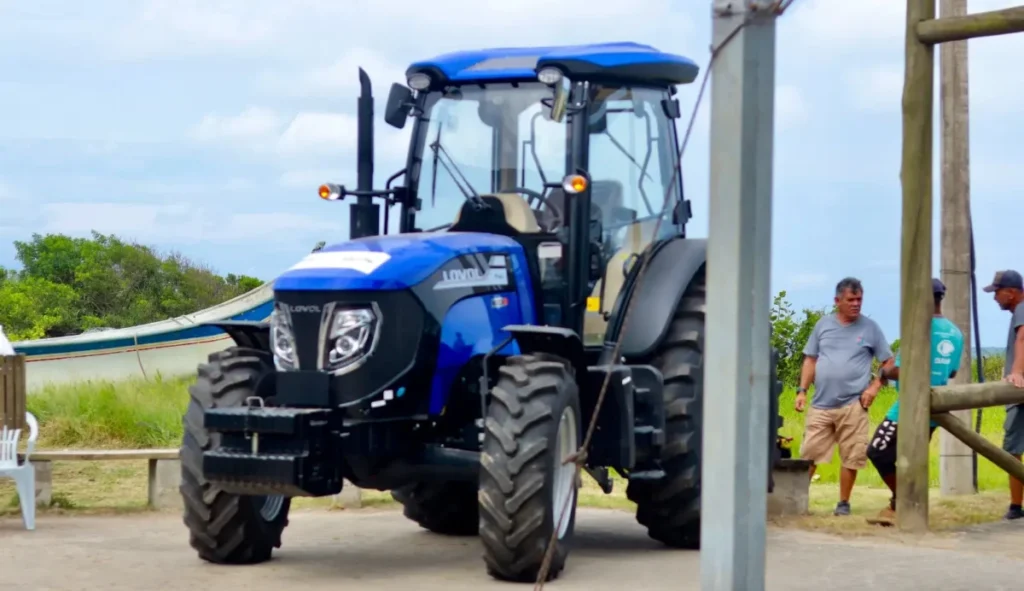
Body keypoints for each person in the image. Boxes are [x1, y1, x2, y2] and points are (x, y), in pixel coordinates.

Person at [864, 278, 963, 526]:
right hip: (935, 408)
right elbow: (952, 371)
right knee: (912, 458)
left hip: (907, 406)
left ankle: (903, 502)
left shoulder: (917, 329)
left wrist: (884, 372)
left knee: (877, 451)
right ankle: (900, 506)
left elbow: (901, 370)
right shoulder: (956, 333)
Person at [795, 277, 895, 516]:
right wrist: (802, 391)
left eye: (859, 299)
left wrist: (874, 387)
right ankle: (797, 501)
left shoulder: (870, 328)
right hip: (821, 403)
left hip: (854, 404)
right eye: (851, 300)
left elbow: (889, 362)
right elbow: (810, 359)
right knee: (809, 454)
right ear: (837, 301)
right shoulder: (823, 325)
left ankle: (843, 503)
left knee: (851, 456)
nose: (856, 304)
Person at [982, 269, 1024, 520]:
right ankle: (1016, 506)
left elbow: (1023, 339)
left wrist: (1016, 372)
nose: (995, 297)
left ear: (1011, 292)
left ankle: (1016, 506)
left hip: (1019, 393)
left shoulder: (1022, 309)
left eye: (997, 292)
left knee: (1012, 449)